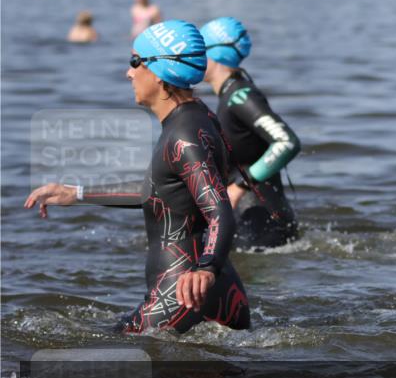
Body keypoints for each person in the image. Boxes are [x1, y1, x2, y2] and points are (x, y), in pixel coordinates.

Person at [24, 20, 250, 334]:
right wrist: (73, 194)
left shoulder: (183, 136)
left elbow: (219, 209)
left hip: (184, 291)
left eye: (135, 62)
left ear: (160, 73)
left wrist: (206, 269)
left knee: (92, 351)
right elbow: (160, 191)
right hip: (219, 288)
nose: (128, 73)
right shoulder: (196, 117)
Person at [200, 17, 301, 248]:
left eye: (200, 51)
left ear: (215, 54)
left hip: (264, 225)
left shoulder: (240, 96)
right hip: (252, 220)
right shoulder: (229, 96)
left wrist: (240, 186)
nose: (194, 60)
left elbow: (287, 142)